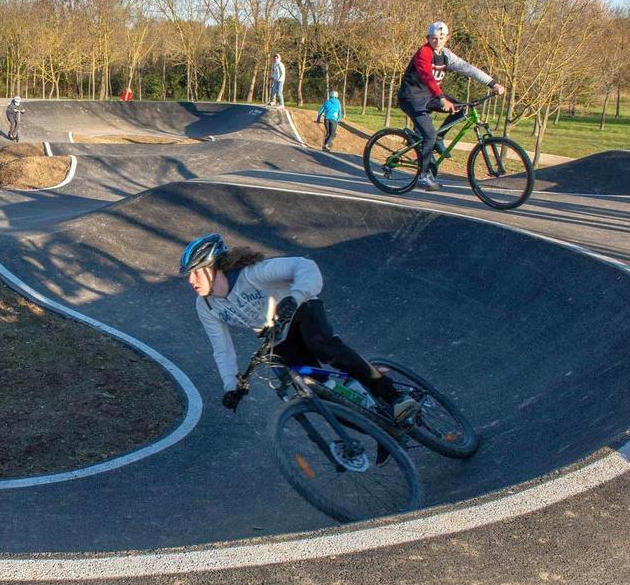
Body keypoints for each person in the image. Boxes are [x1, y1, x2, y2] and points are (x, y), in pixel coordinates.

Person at [179, 233, 417, 422]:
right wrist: (231, 386)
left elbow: (305, 266)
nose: (191, 281)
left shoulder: (253, 274)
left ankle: (394, 396)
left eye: (196, 273)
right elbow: (222, 349)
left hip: (300, 310)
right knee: (314, 393)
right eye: (189, 275)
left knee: (323, 346)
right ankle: (381, 425)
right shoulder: (205, 306)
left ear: (215, 268)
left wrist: (294, 297)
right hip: (276, 335)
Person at [397, 21, 505, 191]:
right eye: (433, 38)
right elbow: (428, 78)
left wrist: (493, 84)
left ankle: (439, 138)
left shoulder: (446, 55)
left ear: (447, 38)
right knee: (429, 134)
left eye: (440, 38)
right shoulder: (424, 53)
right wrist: (441, 98)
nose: (437, 41)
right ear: (428, 38)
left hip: (430, 96)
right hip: (411, 98)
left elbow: (468, 69)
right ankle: (423, 176)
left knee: (461, 108)